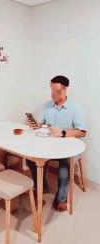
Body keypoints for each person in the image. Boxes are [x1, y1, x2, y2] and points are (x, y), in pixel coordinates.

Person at [26, 75, 87, 212]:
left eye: (57, 91)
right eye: (52, 90)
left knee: (64, 168)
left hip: (68, 148)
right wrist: (34, 124)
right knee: (30, 159)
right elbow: (40, 123)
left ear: (65, 90)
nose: (53, 94)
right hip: (50, 146)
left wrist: (64, 133)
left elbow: (82, 132)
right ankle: (43, 185)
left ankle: (61, 199)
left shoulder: (75, 108)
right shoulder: (47, 105)